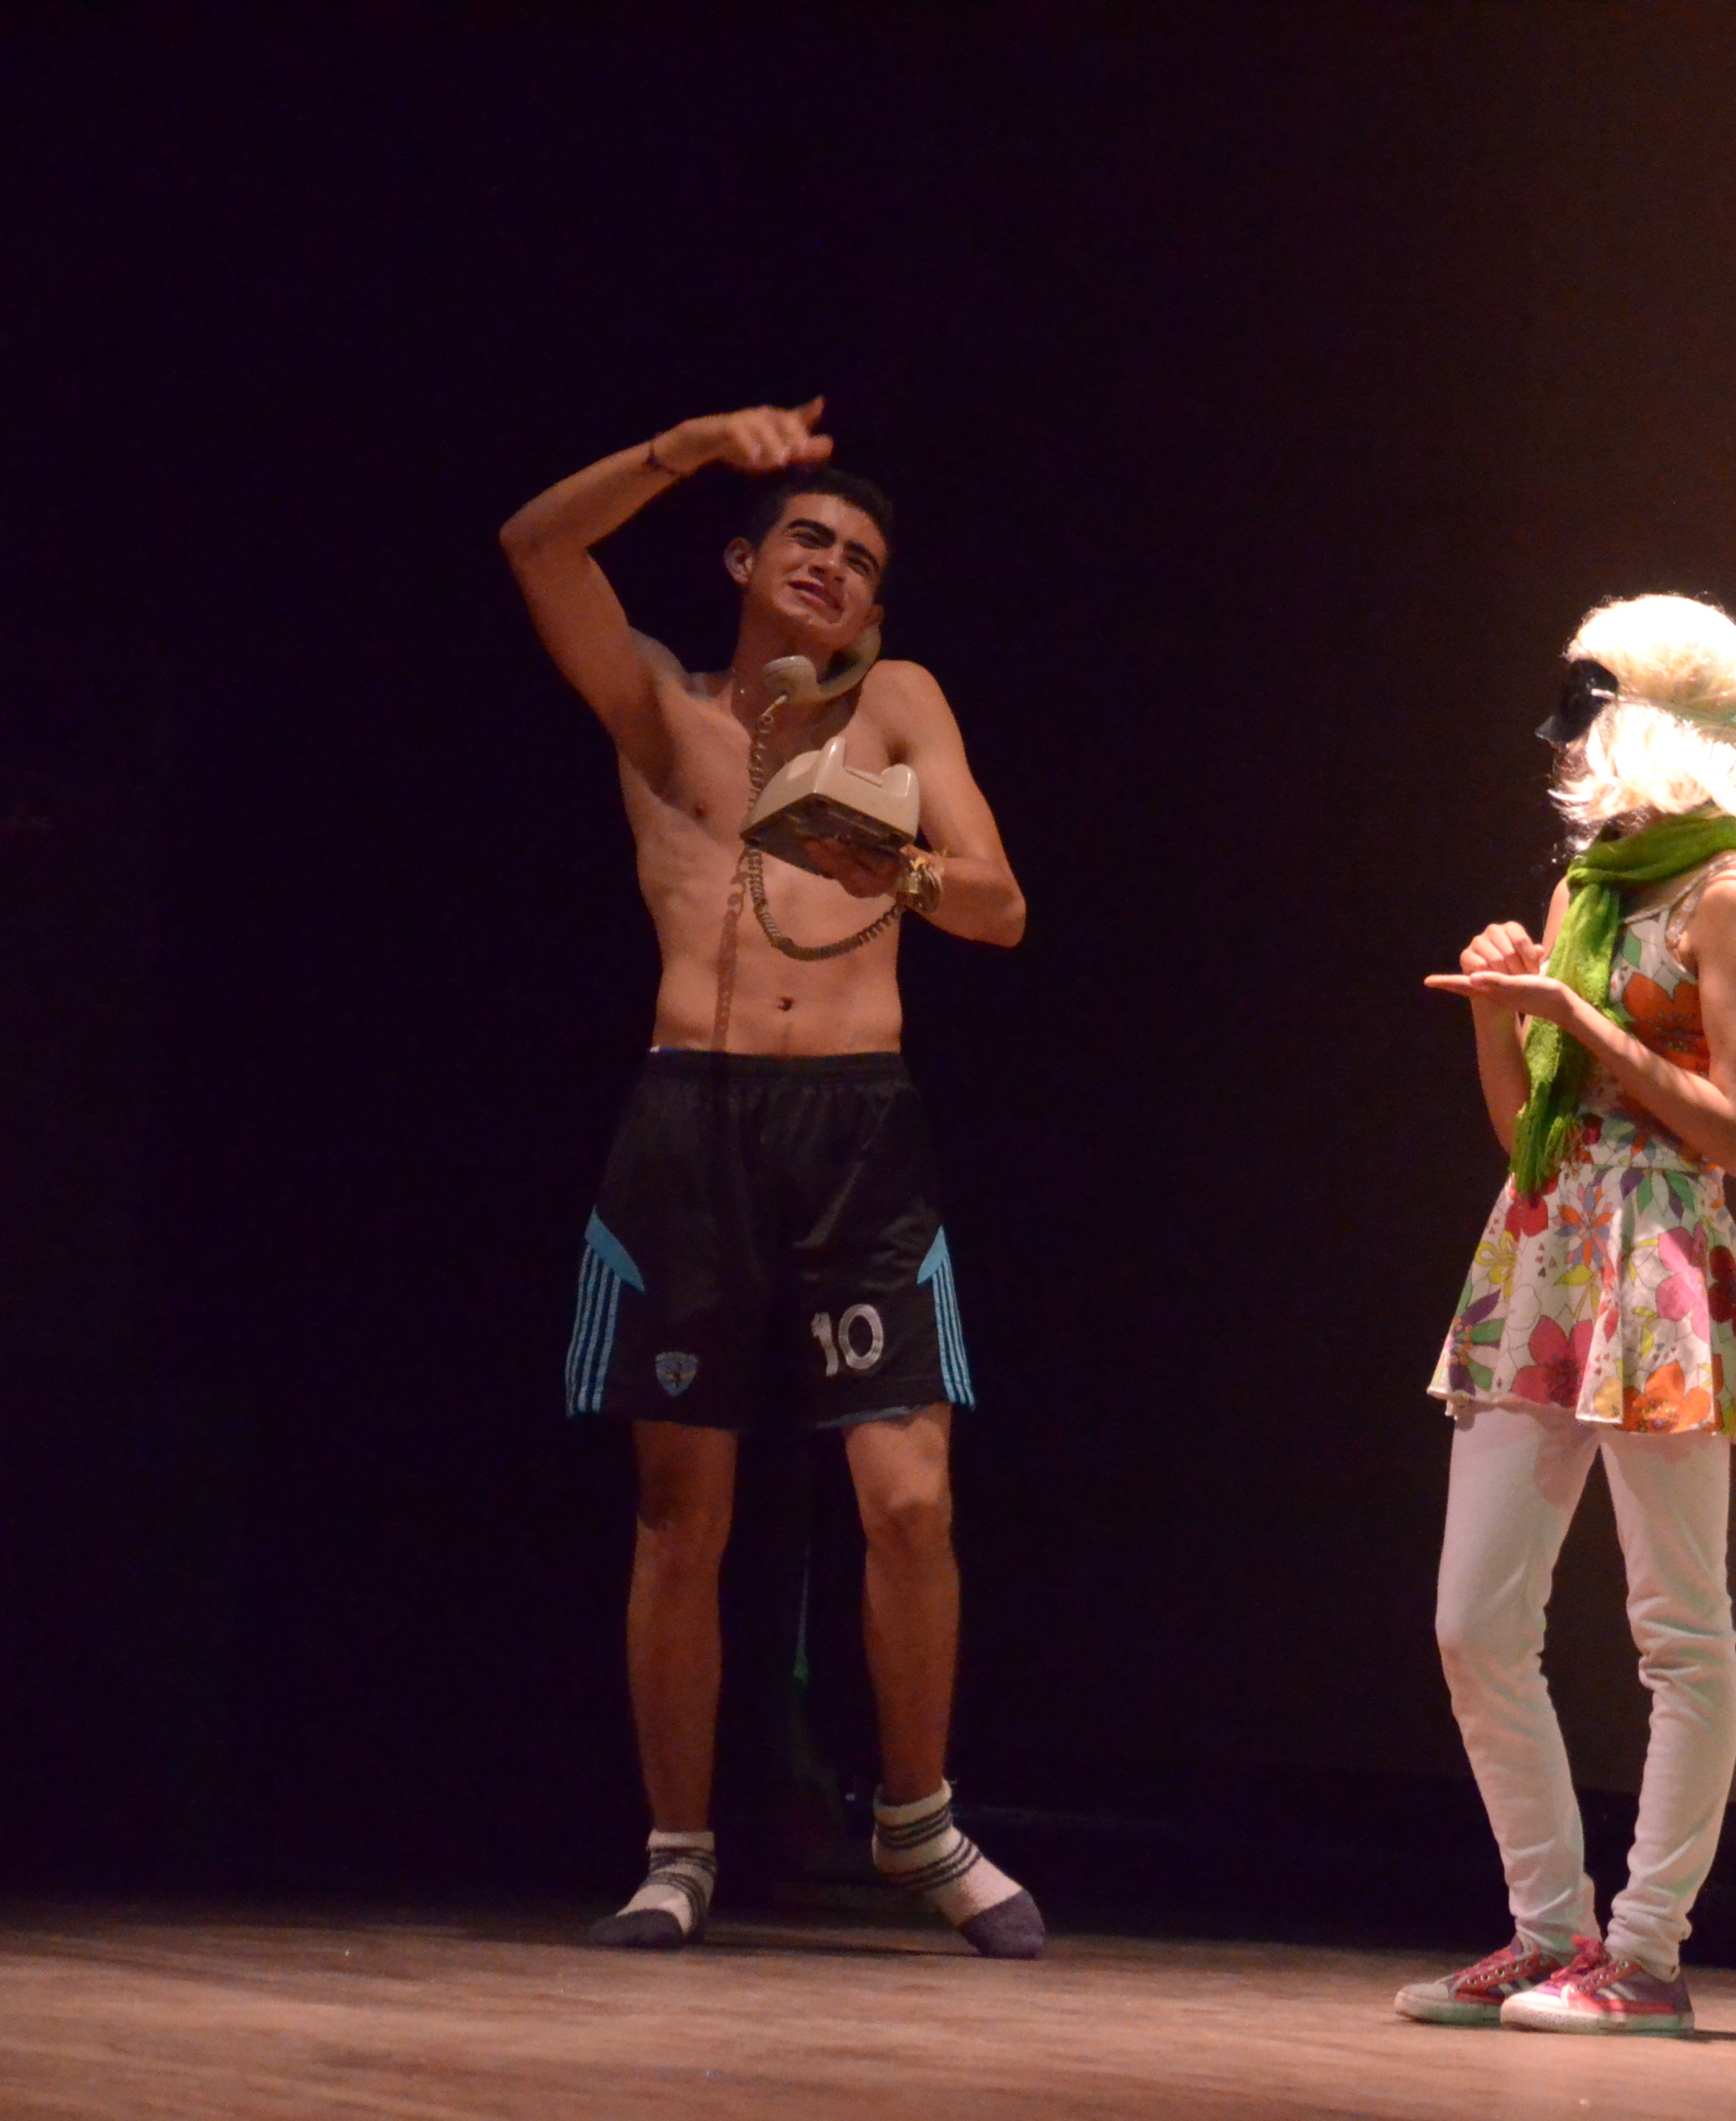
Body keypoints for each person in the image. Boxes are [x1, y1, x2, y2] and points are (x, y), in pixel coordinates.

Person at [501, 399, 1042, 1957]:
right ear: (743, 561)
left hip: (857, 1128)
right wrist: (682, 450)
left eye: (861, 560)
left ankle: (918, 1821)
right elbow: (534, 546)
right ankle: (676, 1851)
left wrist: (886, 863)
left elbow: (1001, 908)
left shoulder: (898, 706)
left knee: (911, 1498)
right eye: (808, 537)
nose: (833, 567)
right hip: (693, 1120)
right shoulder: (663, 710)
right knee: (685, 1511)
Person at [1393, 594, 1736, 2036]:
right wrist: (1502, 1007)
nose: (1563, 741)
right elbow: (1527, 1132)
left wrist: (1591, 1028)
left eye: (1590, 706)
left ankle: (1646, 1952)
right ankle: (1548, 1924)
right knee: (1475, 1618)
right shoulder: (1587, 889)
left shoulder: (1727, 892)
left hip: (1660, 1253)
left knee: (1678, 1624)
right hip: (1550, 1245)